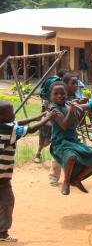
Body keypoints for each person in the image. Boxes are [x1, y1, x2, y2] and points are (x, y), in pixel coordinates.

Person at [0, 100, 52, 243]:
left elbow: (18, 123)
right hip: (2, 178)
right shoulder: (9, 130)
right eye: (10, 112)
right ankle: (2, 232)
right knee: (8, 201)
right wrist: (47, 118)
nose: (13, 113)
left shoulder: (5, 126)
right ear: (3, 116)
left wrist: (36, 117)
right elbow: (32, 129)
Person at [49, 82, 92, 195]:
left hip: (74, 141)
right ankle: (66, 182)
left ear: (67, 94)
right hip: (61, 142)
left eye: (62, 93)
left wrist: (80, 107)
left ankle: (77, 179)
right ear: (51, 96)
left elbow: (77, 120)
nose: (60, 96)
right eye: (56, 93)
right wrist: (72, 110)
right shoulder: (54, 108)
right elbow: (64, 125)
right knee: (71, 156)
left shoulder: (68, 104)